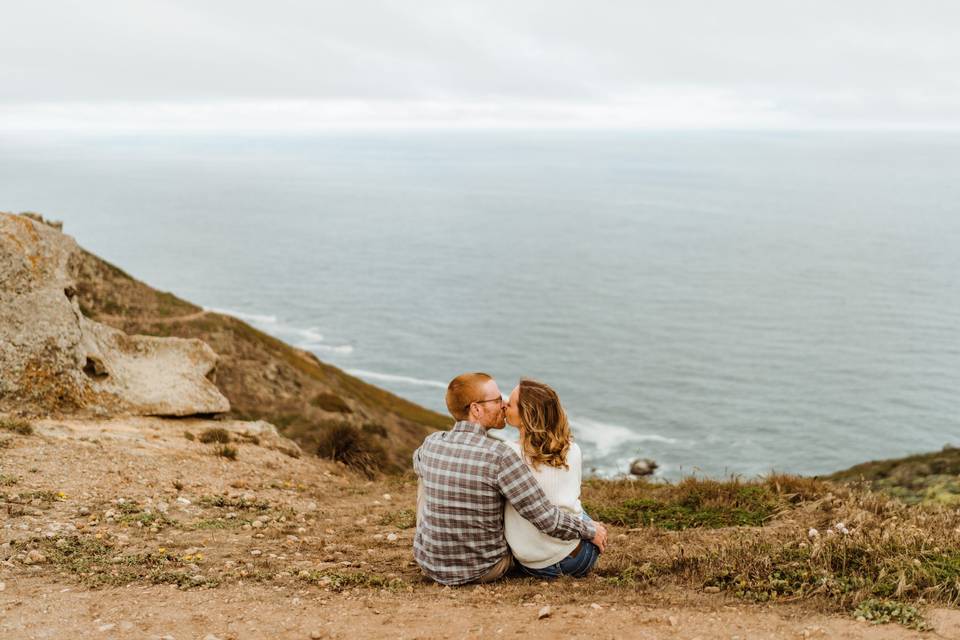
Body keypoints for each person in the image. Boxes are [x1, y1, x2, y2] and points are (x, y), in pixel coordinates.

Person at [412, 372, 608, 586]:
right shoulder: (500, 456)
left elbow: (417, 460)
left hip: (429, 564)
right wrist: (590, 530)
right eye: (497, 400)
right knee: (577, 512)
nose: (503, 404)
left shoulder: (430, 444)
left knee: (425, 473)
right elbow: (545, 518)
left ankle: (438, 545)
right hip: (483, 568)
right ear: (476, 409)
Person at [503, 379, 600, 578]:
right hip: (580, 560)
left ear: (526, 415)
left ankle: (591, 528)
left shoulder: (507, 453)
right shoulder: (573, 449)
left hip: (535, 564)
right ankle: (594, 529)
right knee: (573, 506)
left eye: (510, 404)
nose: (504, 404)